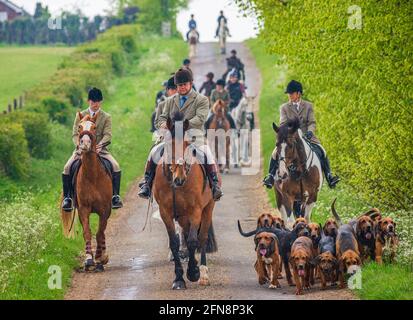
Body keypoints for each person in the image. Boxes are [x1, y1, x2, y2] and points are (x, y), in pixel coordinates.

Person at [138, 68, 223, 201]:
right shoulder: (170, 100)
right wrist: (163, 125)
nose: (182, 87)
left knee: (206, 153)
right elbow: (161, 117)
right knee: (154, 151)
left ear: (191, 83)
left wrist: (182, 125)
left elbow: (200, 119)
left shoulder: (201, 100)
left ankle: (215, 184)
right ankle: (147, 183)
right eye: (179, 85)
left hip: (193, 137)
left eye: (184, 84)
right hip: (172, 139)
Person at [263, 80, 341, 189]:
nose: (289, 96)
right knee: (275, 152)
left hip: (307, 137)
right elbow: (283, 123)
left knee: (322, 150)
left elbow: (312, 122)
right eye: (288, 94)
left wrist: (310, 132)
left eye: (291, 93)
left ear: (298, 93)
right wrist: (292, 132)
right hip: (291, 137)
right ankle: (270, 176)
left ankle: (329, 176)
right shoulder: (284, 108)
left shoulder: (309, 106)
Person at [61, 87, 123, 211]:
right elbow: (74, 134)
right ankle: (68, 198)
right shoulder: (81, 115)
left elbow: (108, 134)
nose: (96, 104)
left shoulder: (106, 117)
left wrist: (100, 145)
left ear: (101, 102)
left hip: (100, 149)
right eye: (93, 102)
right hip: (81, 149)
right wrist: (79, 145)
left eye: (98, 101)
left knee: (116, 166)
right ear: (88, 101)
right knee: (67, 167)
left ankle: (115, 196)